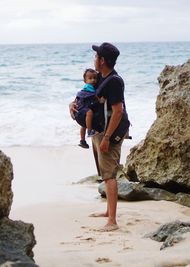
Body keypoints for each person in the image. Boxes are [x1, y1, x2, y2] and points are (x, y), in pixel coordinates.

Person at [69, 42, 126, 231]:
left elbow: (118, 111)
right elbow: (87, 97)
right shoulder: (101, 78)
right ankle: (108, 212)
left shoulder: (114, 81)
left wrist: (107, 138)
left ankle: (112, 222)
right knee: (104, 172)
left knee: (109, 176)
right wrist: (72, 105)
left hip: (109, 132)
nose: (94, 59)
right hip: (98, 130)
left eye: (96, 57)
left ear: (102, 60)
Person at [73, 68, 98, 149]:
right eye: (90, 78)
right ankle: (90, 130)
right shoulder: (89, 87)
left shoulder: (88, 87)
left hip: (81, 110)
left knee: (83, 125)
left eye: (95, 78)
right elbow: (94, 95)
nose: (93, 80)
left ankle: (82, 141)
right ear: (85, 80)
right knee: (89, 113)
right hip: (83, 108)